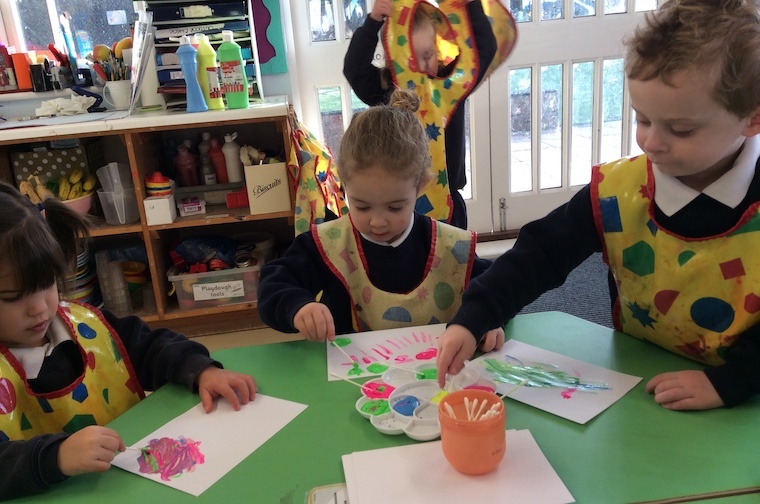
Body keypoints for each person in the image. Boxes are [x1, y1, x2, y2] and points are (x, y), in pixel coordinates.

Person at [436, 0, 760, 411]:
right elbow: (541, 253)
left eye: (680, 129)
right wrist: (475, 316)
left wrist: (729, 383)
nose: (651, 142)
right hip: (640, 381)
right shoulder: (617, 191)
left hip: (743, 395)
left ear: (752, 119)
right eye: (642, 119)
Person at [0, 181, 257, 499]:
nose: (39, 308)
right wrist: (56, 458)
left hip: (134, 486)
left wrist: (200, 369)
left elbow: (149, 347)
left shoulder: (86, 324)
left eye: (48, 283)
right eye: (12, 297)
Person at [258, 89, 503, 351]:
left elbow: (498, 288)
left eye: (395, 207)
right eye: (361, 206)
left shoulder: (451, 247)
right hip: (352, 372)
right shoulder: (327, 245)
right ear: (344, 184)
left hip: (437, 373)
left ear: (421, 185)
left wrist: (486, 319)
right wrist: (297, 306)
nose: (377, 222)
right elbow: (274, 284)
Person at [343, 0, 499, 229]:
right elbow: (354, 69)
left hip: (448, 195)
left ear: (437, 48)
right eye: (411, 62)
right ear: (393, 60)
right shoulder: (386, 89)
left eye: (428, 55)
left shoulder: (451, 83)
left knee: (451, 249)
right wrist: (372, 23)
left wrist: (471, 5)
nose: (423, 67)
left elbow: (483, 51)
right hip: (396, 201)